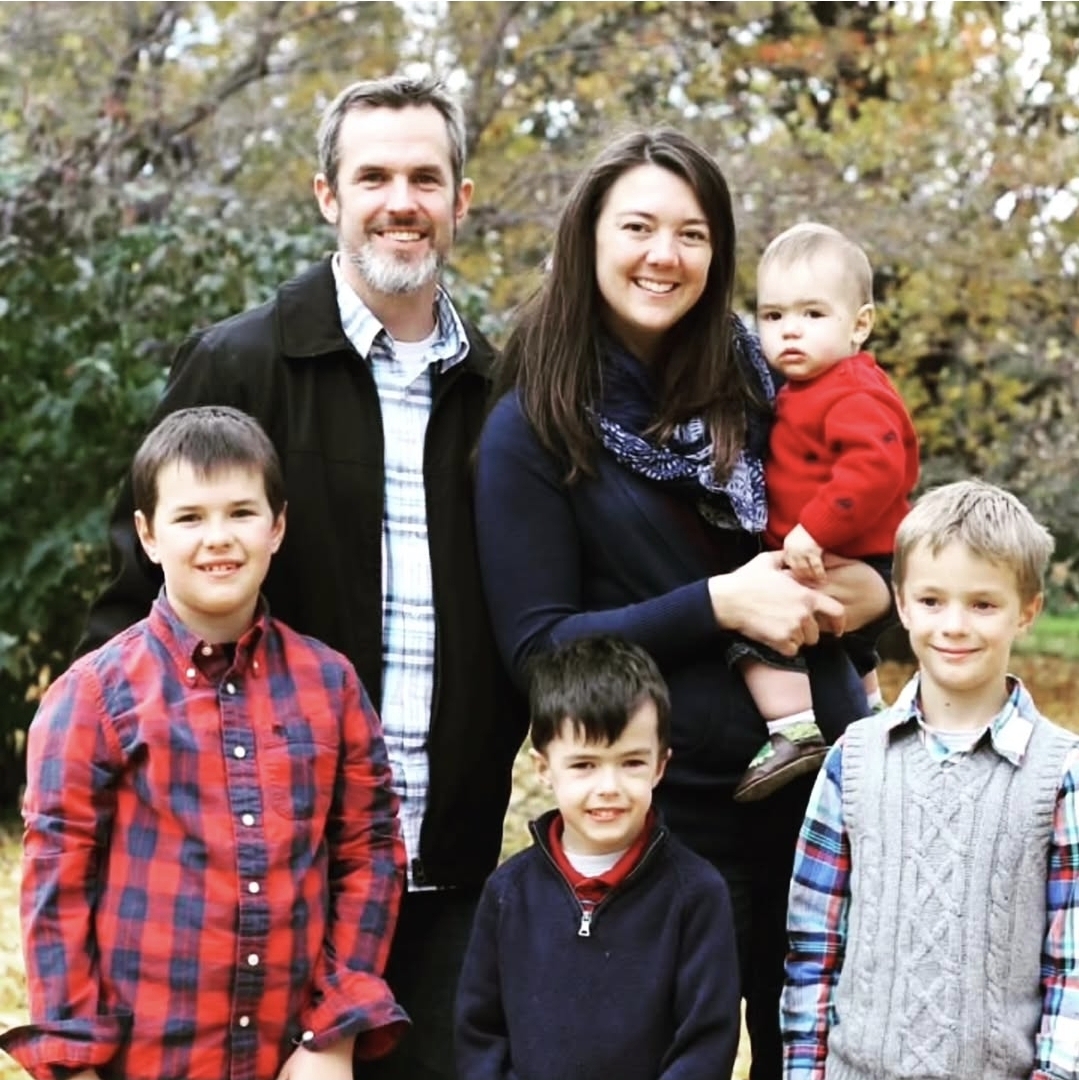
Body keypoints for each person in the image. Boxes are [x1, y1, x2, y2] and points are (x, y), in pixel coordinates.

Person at [74, 75, 527, 1080]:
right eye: (373, 177)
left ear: (460, 198)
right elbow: (132, 610)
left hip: (447, 883)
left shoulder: (503, 396)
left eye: (425, 178)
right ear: (328, 195)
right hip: (255, 888)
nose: (400, 201)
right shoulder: (239, 366)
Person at [473, 127, 892, 1080]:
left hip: (831, 804)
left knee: (827, 1057)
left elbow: (867, 538)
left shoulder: (770, 381)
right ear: (588, 238)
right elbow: (540, 653)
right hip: (675, 822)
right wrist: (718, 604)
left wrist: (874, 591)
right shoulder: (535, 428)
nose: (663, 255)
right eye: (638, 227)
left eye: (692, 234)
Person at [0, 405, 407, 1080]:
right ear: (148, 535)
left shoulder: (330, 685)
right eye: (189, 517)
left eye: (241, 513)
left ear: (277, 526)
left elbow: (370, 853)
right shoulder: (92, 696)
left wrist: (332, 1034)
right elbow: (57, 884)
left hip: (291, 1059)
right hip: (146, 1061)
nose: (218, 538)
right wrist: (73, 1061)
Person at [781, 479, 1079, 1080]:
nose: (955, 625)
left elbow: (1071, 969)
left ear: (1028, 610)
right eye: (933, 600)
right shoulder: (853, 759)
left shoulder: (1060, 773)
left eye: (983, 604)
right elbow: (813, 947)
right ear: (902, 603)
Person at [455, 635, 741, 1080]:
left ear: (660, 765)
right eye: (584, 764)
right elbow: (480, 1034)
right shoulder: (508, 893)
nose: (608, 786)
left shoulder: (697, 894)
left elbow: (706, 1043)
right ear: (544, 768)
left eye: (631, 763)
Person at [732, 222, 920, 803]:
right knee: (848, 645)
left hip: (846, 549)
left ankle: (793, 731)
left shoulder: (852, 391)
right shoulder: (805, 388)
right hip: (836, 550)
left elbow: (876, 467)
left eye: (813, 314)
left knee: (760, 627)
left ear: (859, 325)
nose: (790, 330)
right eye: (773, 316)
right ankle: (874, 716)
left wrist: (814, 528)